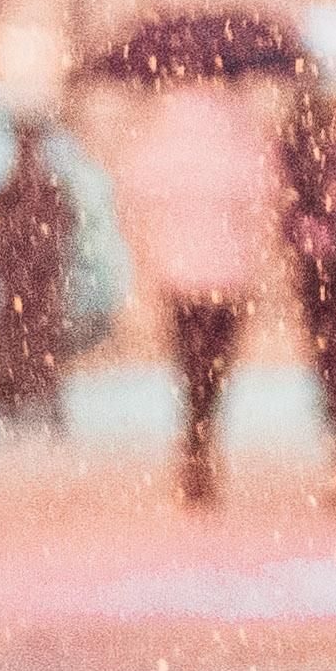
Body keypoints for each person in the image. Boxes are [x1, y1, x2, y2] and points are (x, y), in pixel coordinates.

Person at [106, 66, 289, 501]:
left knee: (188, 358)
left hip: (177, 272)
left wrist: (148, 256)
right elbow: (265, 200)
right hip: (229, 274)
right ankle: (204, 433)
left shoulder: (160, 135)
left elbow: (133, 198)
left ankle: (194, 435)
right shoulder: (241, 135)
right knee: (217, 361)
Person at [0, 114, 81, 431]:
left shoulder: (27, 189)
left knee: (29, 341)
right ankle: (30, 404)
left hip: (31, 278)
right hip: (27, 279)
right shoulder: (31, 189)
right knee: (31, 341)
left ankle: (31, 405)